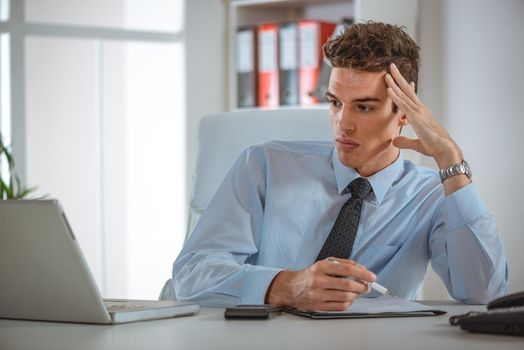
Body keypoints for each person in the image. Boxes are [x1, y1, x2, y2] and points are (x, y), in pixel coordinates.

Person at [172, 21, 508, 311]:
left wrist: (451, 161)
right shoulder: (264, 165)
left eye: (363, 108)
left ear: (405, 112)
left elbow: (483, 293)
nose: (342, 124)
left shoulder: (432, 195)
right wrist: (286, 286)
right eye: (335, 103)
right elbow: (191, 274)